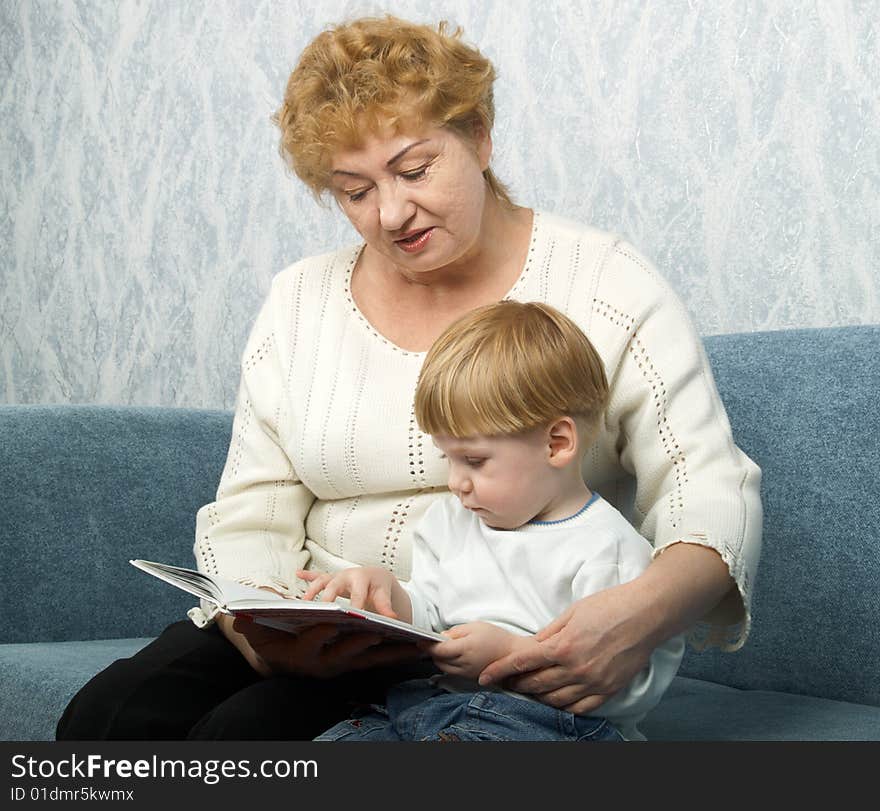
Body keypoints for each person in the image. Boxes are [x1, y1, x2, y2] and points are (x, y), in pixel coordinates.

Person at [56, 15, 761, 741]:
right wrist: (260, 624)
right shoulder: (299, 301)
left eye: (414, 170)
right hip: (316, 621)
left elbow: (706, 483)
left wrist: (635, 619)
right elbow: (251, 508)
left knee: (243, 737)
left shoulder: (605, 281)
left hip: (478, 643)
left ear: (480, 137)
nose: (390, 213)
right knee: (105, 717)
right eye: (354, 190)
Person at [302, 300, 685, 742]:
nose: (456, 483)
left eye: (474, 461)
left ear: (557, 444)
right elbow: (431, 614)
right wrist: (390, 598)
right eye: (447, 458)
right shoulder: (450, 522)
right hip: (435, 706)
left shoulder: (607, 548)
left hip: (551, 726)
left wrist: (508, 656)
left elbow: (631, 687)